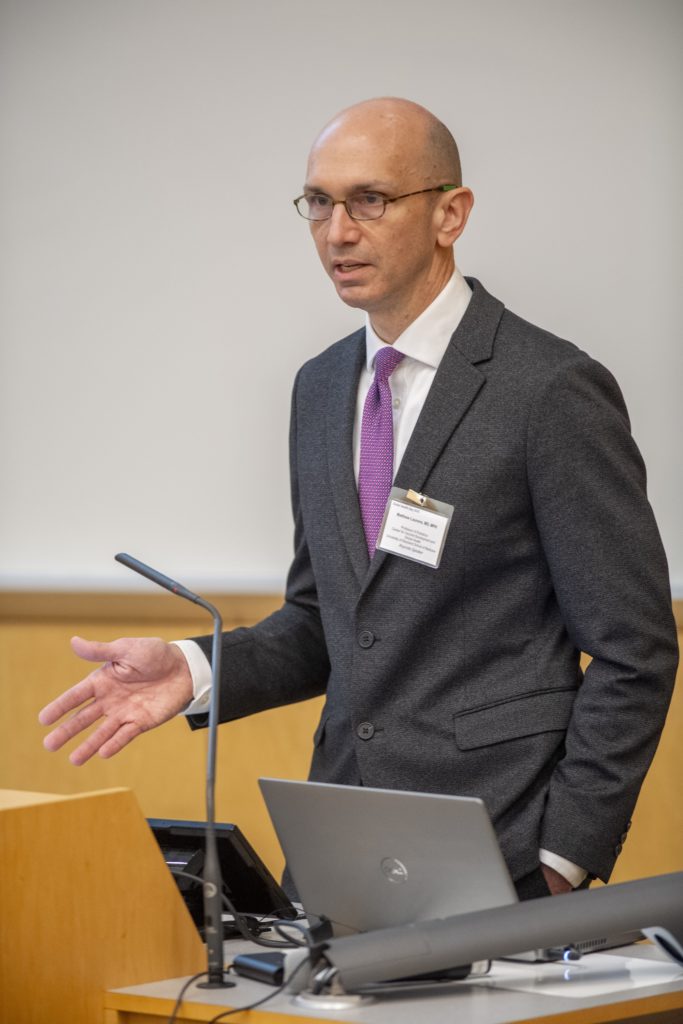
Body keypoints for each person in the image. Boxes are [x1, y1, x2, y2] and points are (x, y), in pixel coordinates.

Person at [39, 98, 678, 900]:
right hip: (341, 837)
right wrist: (195, 668)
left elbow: (634, 649)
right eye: (318, 202)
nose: (336, 232)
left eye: (369, 200)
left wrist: (561, 857)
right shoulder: (320, 386)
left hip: (503, 841)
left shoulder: (547, 389)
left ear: (450, 213)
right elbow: (325, 621)